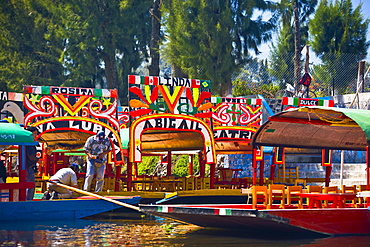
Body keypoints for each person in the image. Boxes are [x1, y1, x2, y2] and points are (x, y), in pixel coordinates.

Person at [25, 126, 40, 200]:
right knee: (30, 185)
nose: (36, 136)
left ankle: (27, 199)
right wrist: (37, 160)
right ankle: (28, 200)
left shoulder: (25, 143)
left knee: (27, 185)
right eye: (35, 134)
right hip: (28, 167)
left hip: (25, 166)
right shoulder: (29, 143)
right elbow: (31, 156)